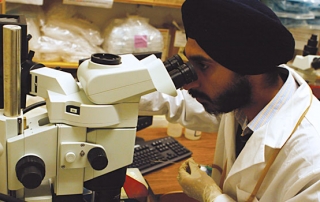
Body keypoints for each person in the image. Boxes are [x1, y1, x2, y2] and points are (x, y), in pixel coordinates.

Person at [138, 0, 320, 201]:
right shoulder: (245, 102)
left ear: (250, 66)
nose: (187, 84)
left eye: (203, 66)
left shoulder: (312, 161)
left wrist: (213, 197)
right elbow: (179, 103)